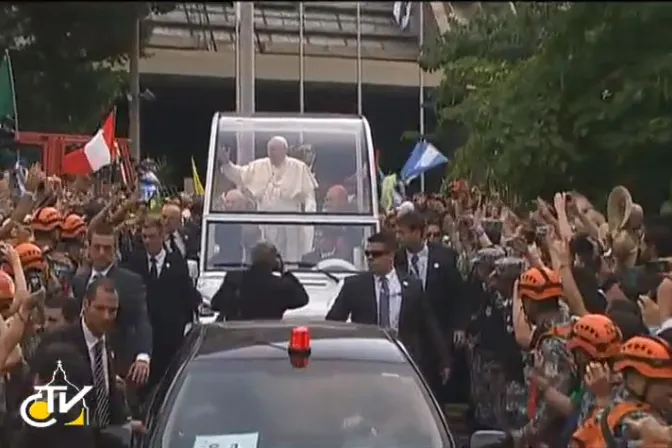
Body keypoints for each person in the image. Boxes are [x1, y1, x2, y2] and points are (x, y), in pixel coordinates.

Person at [326, 232, 451, 385]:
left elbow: (429, 325)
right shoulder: (355, 286)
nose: (370, 258)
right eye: (368, 254)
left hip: (403, 361)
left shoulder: (412, 286)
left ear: (391, 255)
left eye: (376, 254)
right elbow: (333, 322)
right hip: (366, 361)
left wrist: (443, 360)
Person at [33, 278, 141, 446]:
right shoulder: (59, 342)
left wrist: (124, 425)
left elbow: (107, 395)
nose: (106, 316)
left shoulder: (113, 341)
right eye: (100, 308)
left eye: (112, 310)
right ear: (86, 304)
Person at [393, 211, 465, 400]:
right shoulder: (395, 259)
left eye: (402, 233)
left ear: (417, 232)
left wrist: (459, 326)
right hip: (408, 331)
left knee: (435, 386)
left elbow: (457, 293)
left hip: (439, 328)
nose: (398, 237)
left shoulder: (445, 257)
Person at [70, 223, 152, 387]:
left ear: (115, 250)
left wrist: (143, 357)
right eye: (97, 247)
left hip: (116, 365)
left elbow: (141, 320)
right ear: (89, 248)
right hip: (82, 362)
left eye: (107, 248)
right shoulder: (79, 281)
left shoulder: (130, 282)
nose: (101, 253)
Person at [125, 216, 200, 387]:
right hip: (144, 339)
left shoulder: (176, 262)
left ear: (161, 236)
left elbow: (186, 295)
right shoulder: (135, 262)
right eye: (144, 236)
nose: (147, 241)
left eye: (151, 236)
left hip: (170, 339)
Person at [217, 136, 318, 260]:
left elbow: (309, 195)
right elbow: (240, 175)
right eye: (269, 150)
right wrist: (227, 163)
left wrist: (309, 213)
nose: (271, 153)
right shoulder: (260, 166)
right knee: (267, 255)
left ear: (284, 150)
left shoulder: (298, 167)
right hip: (266, 223)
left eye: (274, 149)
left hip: (290, 223)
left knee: (290, 257)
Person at [211, 242, 309, 320]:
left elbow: (216, 304)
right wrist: (285, 271)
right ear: (275, 262)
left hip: (237, 336)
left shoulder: (234, 278)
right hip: (268, 335)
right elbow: (303, 299)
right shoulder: (281, 285)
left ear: (252, 259)